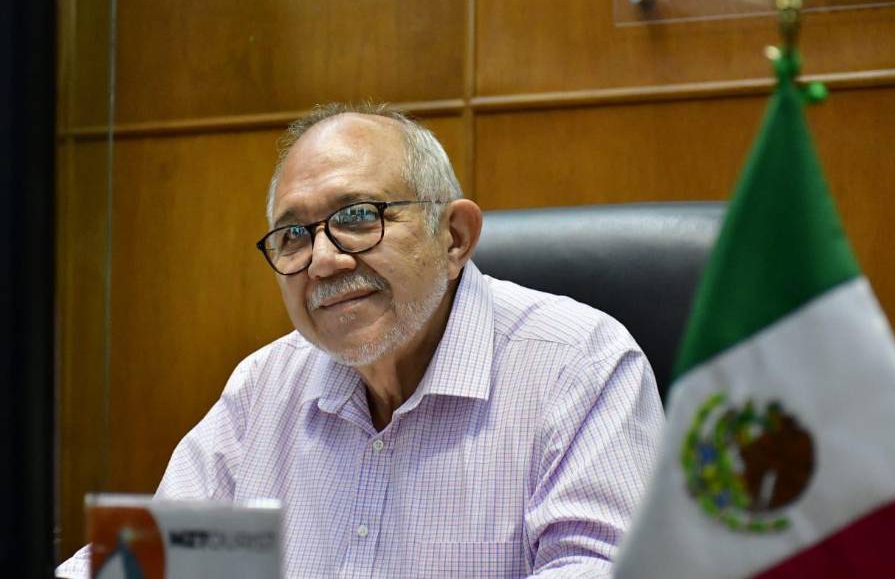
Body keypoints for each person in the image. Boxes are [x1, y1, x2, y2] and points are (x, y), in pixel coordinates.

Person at [57, 103, 664, 578]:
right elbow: (153, 564)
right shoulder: (264, 385)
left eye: (356, 217)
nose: (322, 260)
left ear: (453, 237)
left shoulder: (578, 364)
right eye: (293, 235)